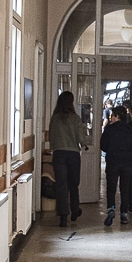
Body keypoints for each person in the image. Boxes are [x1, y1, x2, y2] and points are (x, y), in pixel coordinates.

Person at [46, 91, 88, 227]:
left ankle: (63, 216)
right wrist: (84, 145)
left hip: (59, 154)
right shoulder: (75, 118)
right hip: (73, 154)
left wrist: (54, 148)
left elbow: (51, 136)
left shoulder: (55, 118)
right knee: (73, 184)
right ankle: (75, 210)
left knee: (61, 185)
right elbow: (80, 137)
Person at [99, 105, 132, 227]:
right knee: (125, 188)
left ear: (117, 116)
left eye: (112, 116)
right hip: (127, 162)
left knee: (111, 187)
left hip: (112, 162)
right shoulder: (131, 130)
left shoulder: (109, 129)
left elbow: (103, 146)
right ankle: (123, 214)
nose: (111, 118)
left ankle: (111, 209)